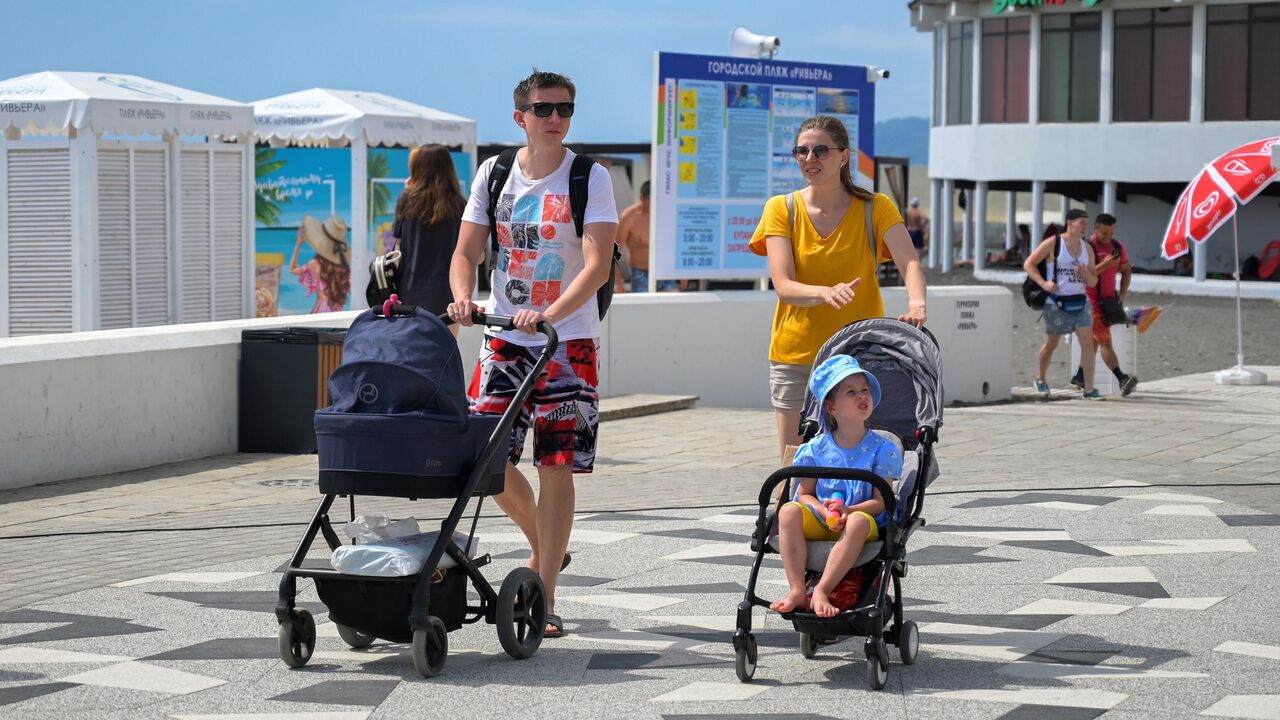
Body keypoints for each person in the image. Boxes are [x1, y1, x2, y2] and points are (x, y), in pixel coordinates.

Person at [447, 70, 617, 640]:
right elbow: (466, 251)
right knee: (483, 459)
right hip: (504, 337)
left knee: (557, 465)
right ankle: (547, 548)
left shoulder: (590, 177)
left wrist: (551, 313)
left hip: (567, 342)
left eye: (565, 109)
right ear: (520, 115)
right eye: (544, 108)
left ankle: (543, 594)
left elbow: (596, 264)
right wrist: (462, 297)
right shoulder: (495, 174)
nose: (555, 119)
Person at [749, 115, 928, 460]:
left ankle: (860, 514)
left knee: (858, 455)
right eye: (801, 151)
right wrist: (824, 292)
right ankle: (789, 512)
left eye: (820, 151)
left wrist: (917, 302)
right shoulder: (781, 209)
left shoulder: (876, 208)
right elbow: (784, 285)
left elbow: (910, 262)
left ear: (844, 156)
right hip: (797, 353)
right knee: (793, 460)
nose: (809, 159)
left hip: (857, 355)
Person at [768, 355, 901, 618]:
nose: (861, 396)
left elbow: (881, 501)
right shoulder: (814, 449)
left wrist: (849, 510)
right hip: (823, 518)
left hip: (863, 520)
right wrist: (822, 509)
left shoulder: (883, 450)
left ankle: (821, 590)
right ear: (831, 407)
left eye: (865, 390)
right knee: (788, 511)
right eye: (851, 392)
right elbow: (804, 494)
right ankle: (796, 588)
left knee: (859, 522)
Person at [1024, 208, 1103, 400]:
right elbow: (1029, 264)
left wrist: (1086, 274)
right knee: (1052, 344)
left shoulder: (1088, 248)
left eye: (1087, 223)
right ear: (1070, 223)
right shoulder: (1054, 243)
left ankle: (1089, 388)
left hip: (1080, 302)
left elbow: (1094, 282)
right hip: (1056, 304)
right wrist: (1044, 284)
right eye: (1082, 223)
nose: (1086, 227)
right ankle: (1040, 379)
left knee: (1088, 344)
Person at [394, 144, 466, 334]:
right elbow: (474, 255)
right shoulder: (459, 205)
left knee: (412, 353)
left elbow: (397, 247)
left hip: (409, 290)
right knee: (444, 353)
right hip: (447, 293)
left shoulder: (406, 200)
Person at [1070, 213, 1142, 396]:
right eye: (1104, 233)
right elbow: (1082, 275)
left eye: (1111, 233)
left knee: (1094, 342)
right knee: (1105, 341)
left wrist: (1123, 292)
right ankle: (1122, 378)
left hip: (1109, 302)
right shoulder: (1086, 248)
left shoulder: (1117, 247)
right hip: (1089, 301)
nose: (1108, 237)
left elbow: (1126, 270)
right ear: (1095, 229)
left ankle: (1079, 377)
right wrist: (1105, 264)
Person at [615, 181, 675, 292]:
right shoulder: (629, 217)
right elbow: (613, 251)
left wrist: (683, 273)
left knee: (676, 304)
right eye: (651, 202)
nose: (654, 207)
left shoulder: (666, 213)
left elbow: (676, 242)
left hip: (664, 271)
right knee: (643, 307)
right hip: (640, 272)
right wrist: (618, 283)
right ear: (642, 198)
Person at [290, 215, 350, 313]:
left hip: (322, 309)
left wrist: (299, 243)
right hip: (338, 310)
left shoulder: (313, 264)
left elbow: (292, 269)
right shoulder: (343, 267)